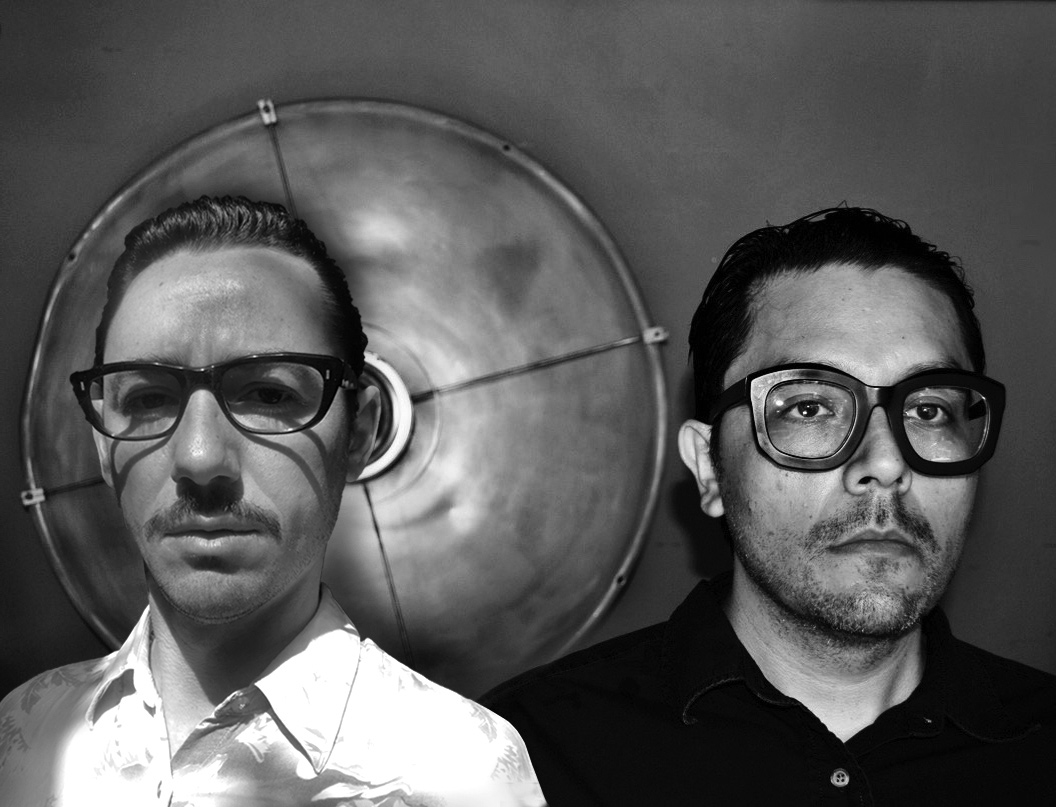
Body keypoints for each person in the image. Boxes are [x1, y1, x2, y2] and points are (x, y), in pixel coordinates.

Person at [482, 206, 1056, 805]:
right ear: (710, 469)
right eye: (809, 408)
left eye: (928, 410)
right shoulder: (529, 762)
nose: (886, 463)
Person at [0, 196, 545, 807]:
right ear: (103, 443)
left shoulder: (460, 773)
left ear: (359, 434)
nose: (200, 457)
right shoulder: (22, 734)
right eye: (149, 399)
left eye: (267, 394)